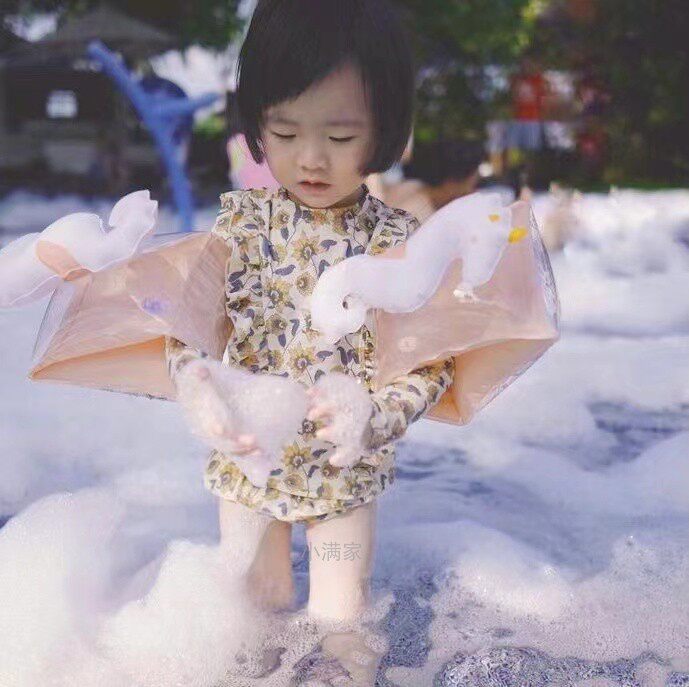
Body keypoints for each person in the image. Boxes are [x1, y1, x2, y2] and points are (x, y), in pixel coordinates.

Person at [163, 0, 454, 678]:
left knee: (342, 617)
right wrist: (196, 385)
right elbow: (188, 324)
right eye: (285, 131)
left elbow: (430, 363)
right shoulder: (242, 226)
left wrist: (372, 415)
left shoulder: (394, 243)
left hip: (343, 465)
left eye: (342, 135)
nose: (311, 158)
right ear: (257, 124)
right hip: (251, 457)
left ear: (385, 129)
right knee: (256, 614)